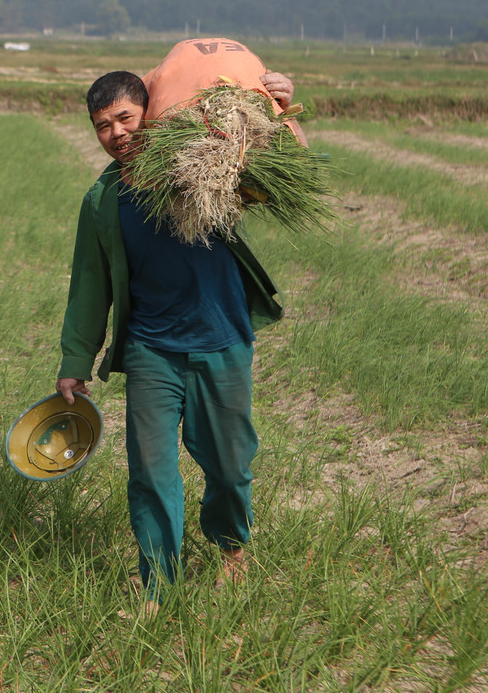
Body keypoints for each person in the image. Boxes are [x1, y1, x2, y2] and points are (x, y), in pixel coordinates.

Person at [55, 64, 296, 608]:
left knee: (230, 466)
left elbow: (280, 172)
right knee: (150, 469)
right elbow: (90, 284)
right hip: (150, 351)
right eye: (101, 126)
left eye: (124, 118)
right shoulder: (103, 200)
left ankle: (233, 550)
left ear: (151, 113)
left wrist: (279, 107)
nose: (116, 133)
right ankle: (158, 577)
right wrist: (76, 359)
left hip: (222, 339)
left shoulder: (205, 164)